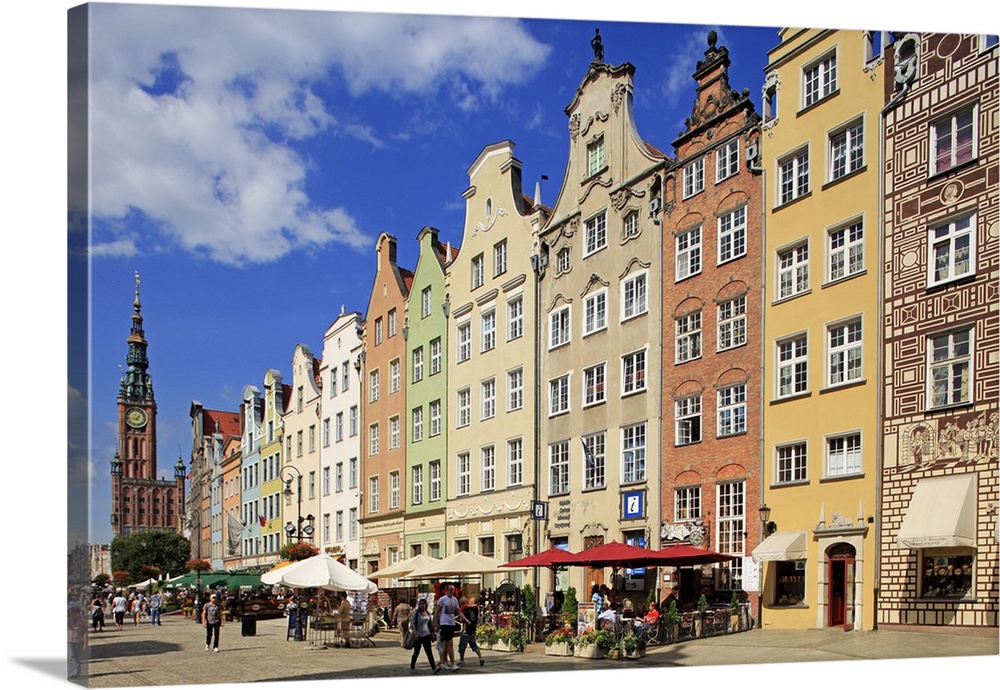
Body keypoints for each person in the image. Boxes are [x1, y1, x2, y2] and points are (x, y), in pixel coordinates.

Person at [433, 582, 468, 672]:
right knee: (450, 643)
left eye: (453, 589)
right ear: (446, 590)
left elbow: (459, 611)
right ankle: (452, 663)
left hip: (452, 623)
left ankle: (444, 662)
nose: (453, 591)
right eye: (451, 589)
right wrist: (436, 624)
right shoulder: (442, 599)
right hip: (444, 623)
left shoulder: (455, 600)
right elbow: (437, 612)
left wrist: (466, 620)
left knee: (446, 644)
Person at [409, 598, 439, 674]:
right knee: (416, 652)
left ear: (426, 605)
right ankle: (412, 666)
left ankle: (434, 667)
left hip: (427, 635)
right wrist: (415, 633)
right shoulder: (416, 613)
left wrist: (432, 634)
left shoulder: (428, 613)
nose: (422, 606)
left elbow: (430, 624)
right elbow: (412, 624)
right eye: (421, 604)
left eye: (423, 604)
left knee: (429, 652)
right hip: (418, 635)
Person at [457, 595, 484, 667]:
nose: (469, 601)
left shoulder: (466, 609)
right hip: (473, 630)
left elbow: (462, 619)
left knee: (462, 646)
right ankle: (480, 658)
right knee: (474, 645)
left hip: (466, 630)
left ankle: (461, 660)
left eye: (470, 600)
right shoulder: (476, 609)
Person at [67, 602, 88, 679]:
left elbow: (85, 633)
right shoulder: (68, 621)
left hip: (79, 641)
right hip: (69, 641)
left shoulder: (83, 621)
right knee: (71, 657)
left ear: (77, 613)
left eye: (72, 613)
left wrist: (85, 644)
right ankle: (73, 672)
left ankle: (77, 672)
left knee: (77, 657)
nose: (70, 614)